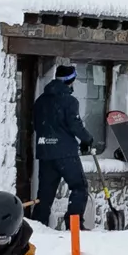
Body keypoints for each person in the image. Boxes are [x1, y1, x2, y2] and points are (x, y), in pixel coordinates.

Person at [31, 65, 93, 232]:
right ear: (70, 81)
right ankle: (74, 225)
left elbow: (37, 125)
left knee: (45, 194)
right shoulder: (69, 101)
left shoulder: (40, 101)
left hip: (45, 152)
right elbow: (75, 125)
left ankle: (38, 227)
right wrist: (87, 139)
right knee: (79, 187)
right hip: (65, 153)